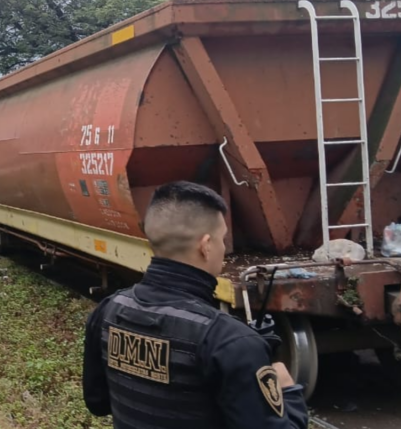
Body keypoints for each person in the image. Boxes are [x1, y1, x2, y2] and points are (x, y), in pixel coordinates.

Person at [82, 181, 309, 429]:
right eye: (222, 239)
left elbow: (98, 402)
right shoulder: (230, 341)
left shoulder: (107, 310)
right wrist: (287, 390)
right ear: (206, 245)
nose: (224, 248)